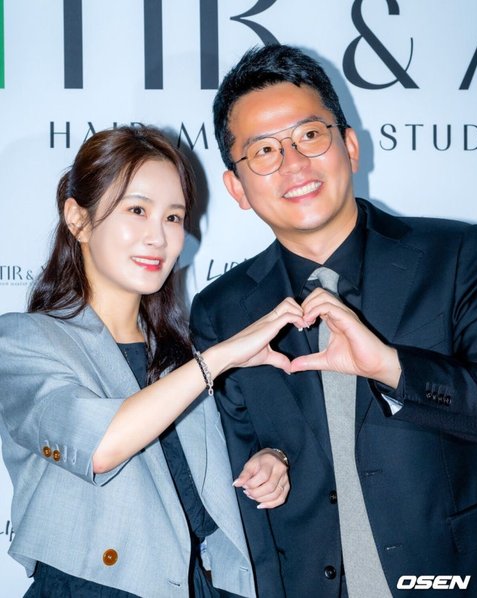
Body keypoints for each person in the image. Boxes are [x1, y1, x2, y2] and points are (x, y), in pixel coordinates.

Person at [189, 44, 477, 598]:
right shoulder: (220, 312)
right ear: (237, 188)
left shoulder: (459, 256)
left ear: (349, 145)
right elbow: (229, 464)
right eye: (264, 151)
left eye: (309, 135)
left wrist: (393, 368)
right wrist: (268, 461)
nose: (293, 164)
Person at [0, 125, 301, 598]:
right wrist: (218, 359)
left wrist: (269, 461)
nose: (158, 237)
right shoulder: (24, 340)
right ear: (78, 220)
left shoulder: (181, 355)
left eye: (173, 217)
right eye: (137, 210)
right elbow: (99, 446)